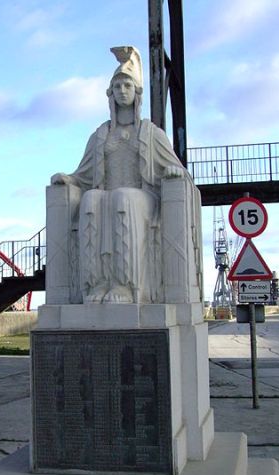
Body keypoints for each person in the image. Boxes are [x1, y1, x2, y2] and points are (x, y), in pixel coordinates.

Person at [51, 46, 190, 304]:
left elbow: (178, 170)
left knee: (123, 198)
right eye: (117, 87)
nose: (122, 91)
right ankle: (96, 283)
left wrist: (173, 172)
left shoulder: (151, 133)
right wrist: (68, 179)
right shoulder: (100, 135)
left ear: (136, 91)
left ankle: (127, 285)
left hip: (144, 198)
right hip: (107, 197)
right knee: (91, 199)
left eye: (127, 86)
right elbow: (84, 174)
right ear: (110, 94)